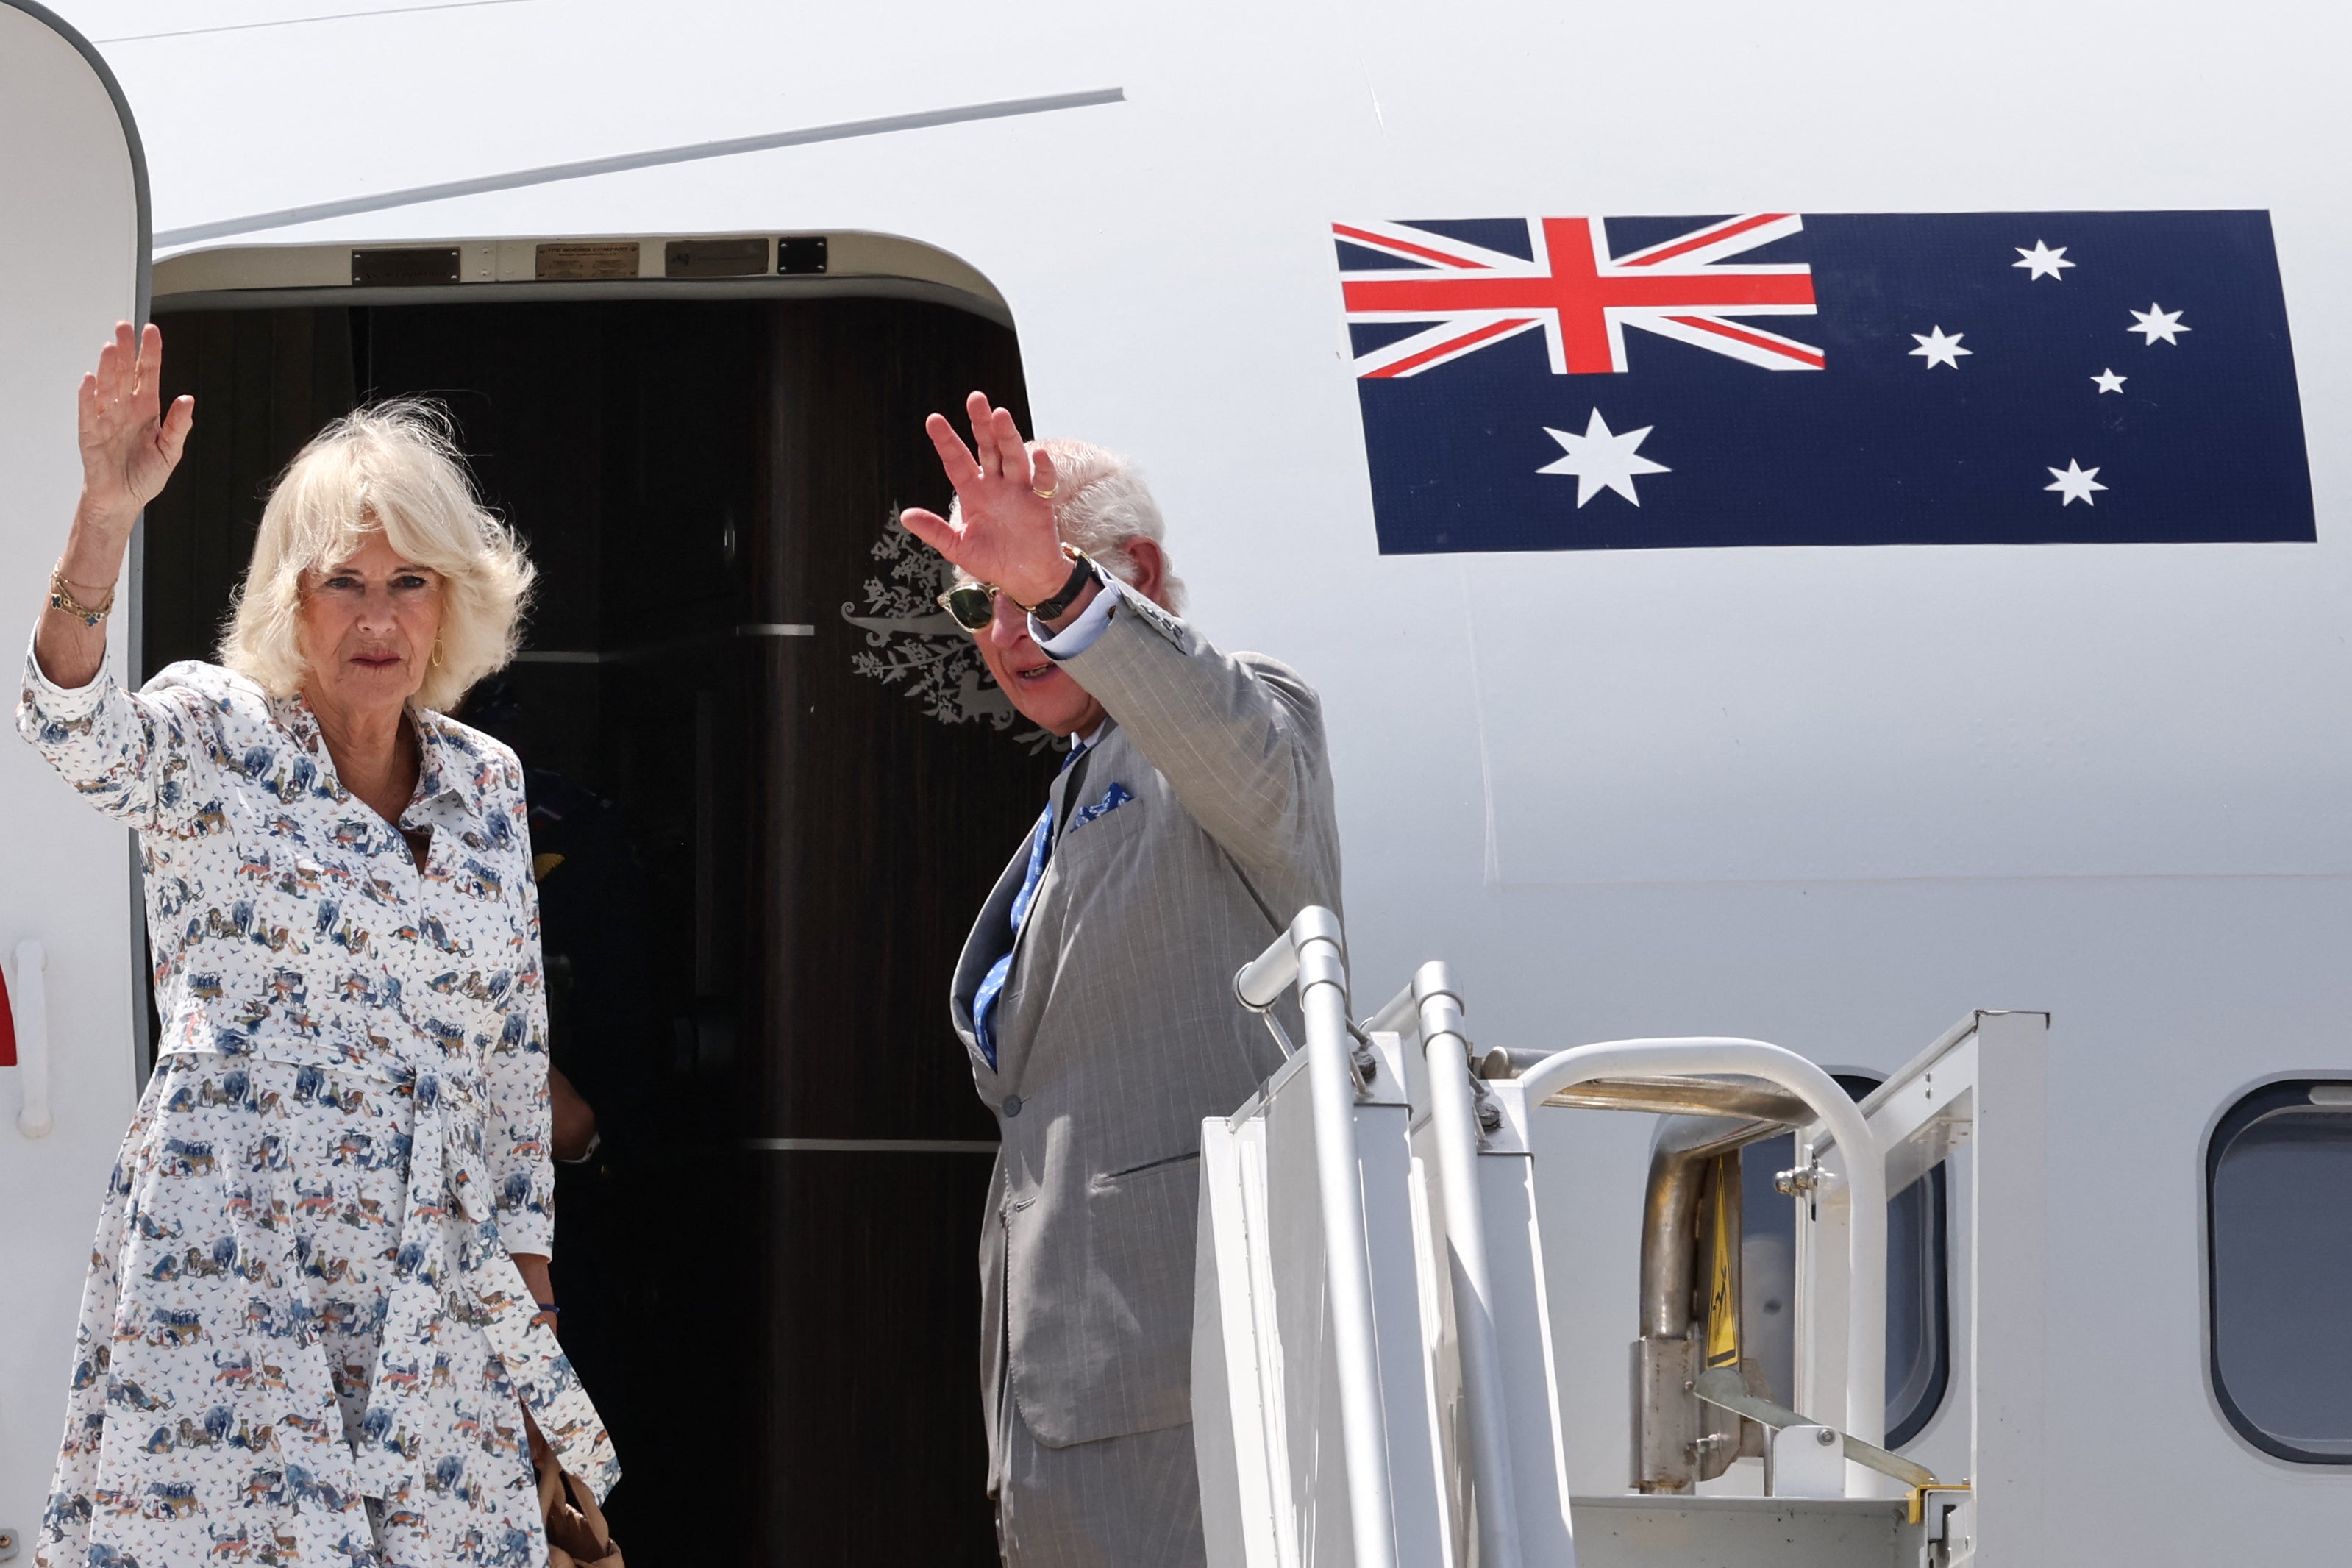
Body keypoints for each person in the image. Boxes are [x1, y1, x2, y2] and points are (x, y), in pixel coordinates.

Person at [18, 324, 616, 1567]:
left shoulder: (487, 784)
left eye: (409, 583)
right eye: (345, 581)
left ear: (454, 600)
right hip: (235, 1262)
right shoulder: (219, 735)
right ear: (293, 597)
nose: (378, 618)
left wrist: (534, 1327)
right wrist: (104, 516)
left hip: (434, 1276)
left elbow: (510, 1077)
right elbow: (74, 729)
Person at [900, 394, 1342, 1566]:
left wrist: (1064, 596)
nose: (1001, 633)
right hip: (1067, 1395)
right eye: (978, 601)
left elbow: (1228, 742)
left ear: (1130, 571)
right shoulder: (1077, 783)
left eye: (1025, 593)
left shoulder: (1237, 717)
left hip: (1189, 1390)